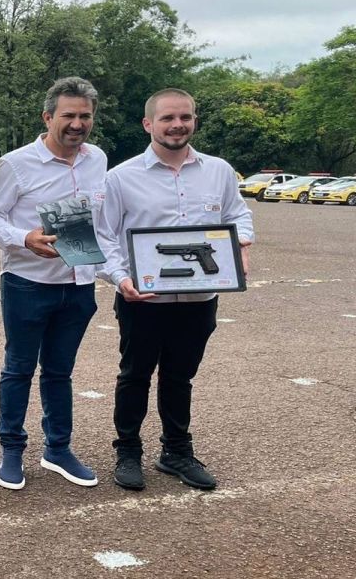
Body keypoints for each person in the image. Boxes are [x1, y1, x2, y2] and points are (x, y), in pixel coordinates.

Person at [94, 88, 254, 492]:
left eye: (184, 117)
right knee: (134, 375)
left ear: (194, 121)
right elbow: (105, 238)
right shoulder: (120, 177)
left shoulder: (219, 171)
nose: (177, 125)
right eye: (167, 118)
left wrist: (241, 246)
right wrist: (119, 278)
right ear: (149, 124)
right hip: (143, 298)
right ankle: (128, 451)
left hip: (200, 298)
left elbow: (238, 214)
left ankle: (176, 452)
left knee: (180, 376)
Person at [0, 77, 107, 491]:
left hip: (79, 281)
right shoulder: (15, 163)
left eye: (85, 116)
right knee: (18, 369)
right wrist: (24, 239)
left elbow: (102, 222)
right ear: (48, 117)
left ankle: (58, 449)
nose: (77, 123)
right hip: (28, 281)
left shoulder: (98, 159)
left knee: (59, 372)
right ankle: (11, 450)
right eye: (68, 115)